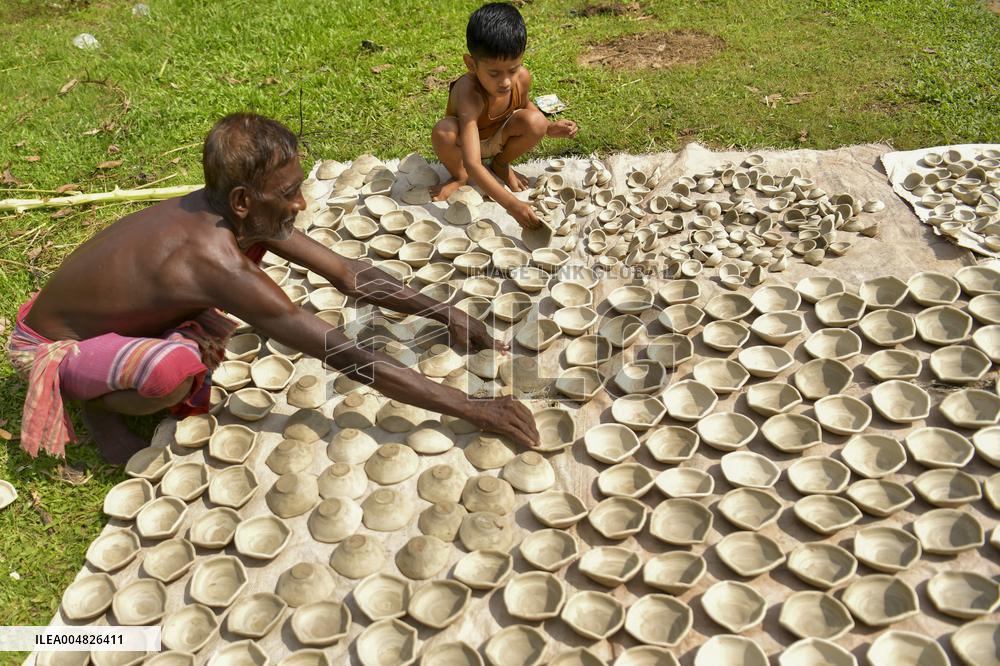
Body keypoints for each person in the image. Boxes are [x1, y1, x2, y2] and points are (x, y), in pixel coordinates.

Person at [7, 113, 540, 464]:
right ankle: (95, 399)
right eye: (289, 193)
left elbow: (347, 273)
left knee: (197, 341)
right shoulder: (211, 260)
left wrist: (442, 311)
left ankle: (124, 358)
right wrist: (471, 407)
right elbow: (345, 354)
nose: (301, 204)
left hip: (104, 311)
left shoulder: (228, 210)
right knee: (171, 376)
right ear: (242, 200)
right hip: (51, 343)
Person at [430, 2, 578, 228]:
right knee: (444, 131)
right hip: (465, 145)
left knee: (536, 122)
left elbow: (525, 105)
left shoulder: (522, 79)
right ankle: (459, 177)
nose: (506, 81)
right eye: (494, 73)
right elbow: (472, 161)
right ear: (471, 64)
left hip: (499, 137)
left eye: (513, 69)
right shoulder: (468, 93)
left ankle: (500, 164)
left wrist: (549, 128)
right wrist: (511, 205)